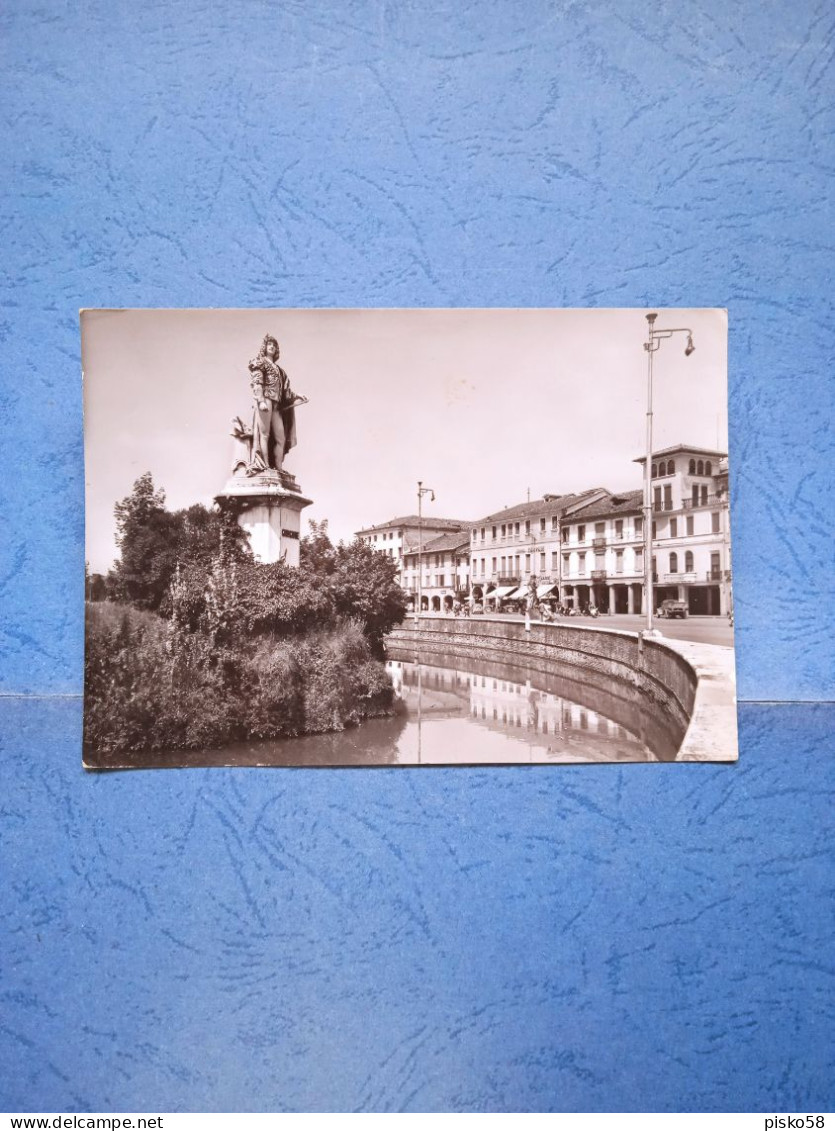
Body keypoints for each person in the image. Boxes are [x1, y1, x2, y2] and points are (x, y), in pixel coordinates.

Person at [246, 335, 308, 475]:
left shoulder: (280, 371)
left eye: (274, 345)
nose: (272, 347)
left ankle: (278, 467)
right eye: (269, 344)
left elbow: (286, 391)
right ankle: (265, 466)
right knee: (265, 434)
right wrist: (260, 400)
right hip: (266, 399)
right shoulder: (260, 362)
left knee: (281, 437)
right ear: (265, 347)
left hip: (277, 405)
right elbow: (257, 382)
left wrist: (297, 396)